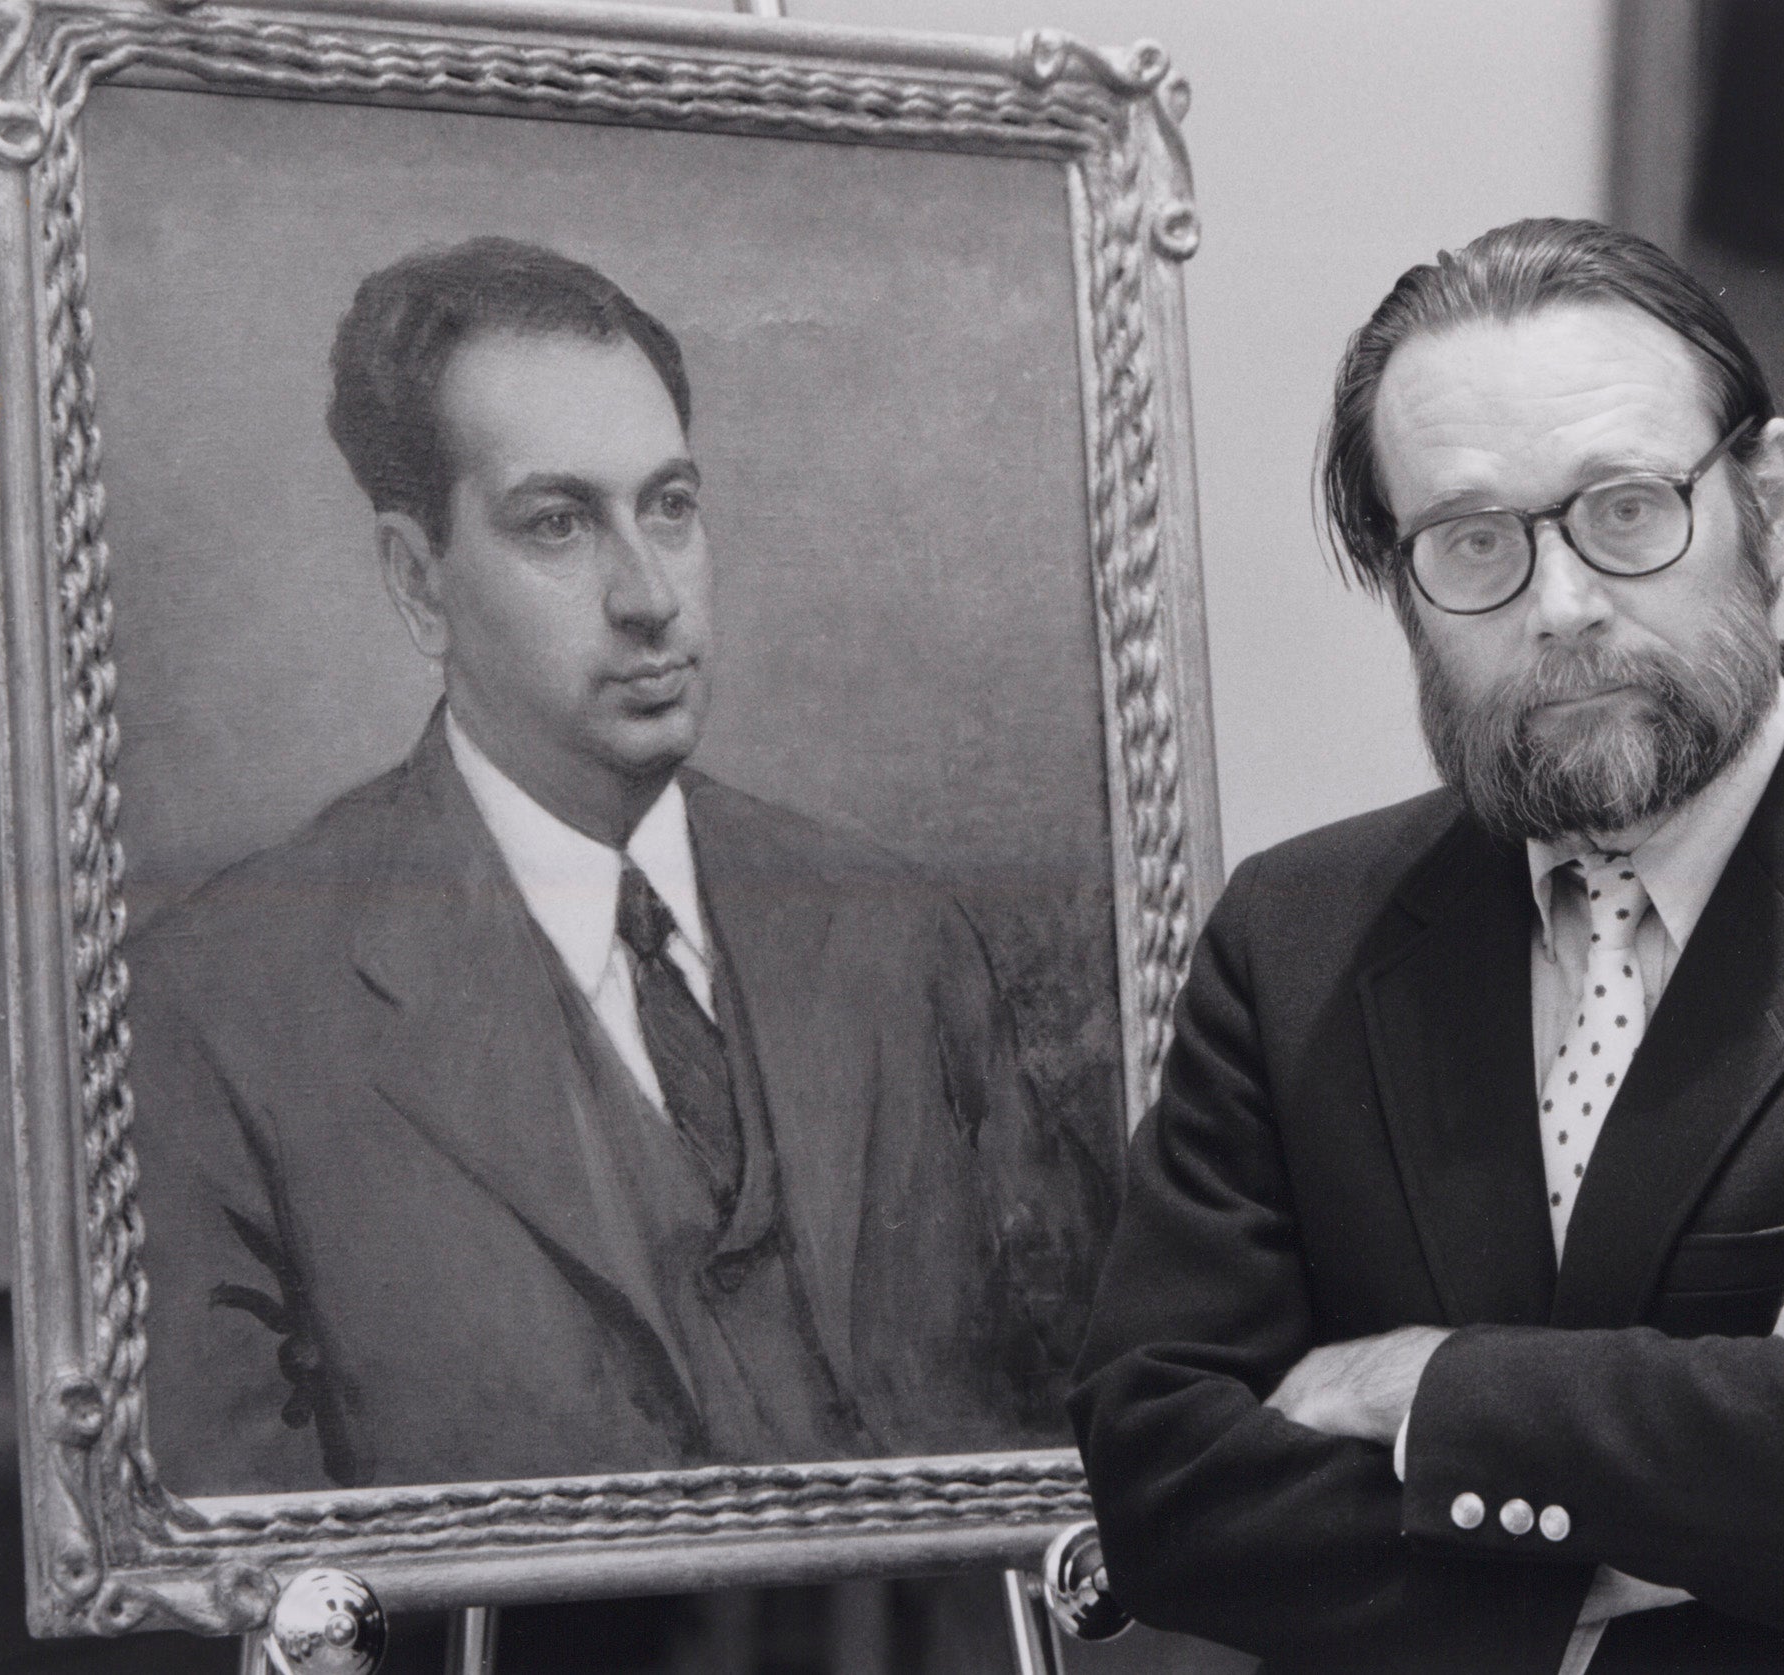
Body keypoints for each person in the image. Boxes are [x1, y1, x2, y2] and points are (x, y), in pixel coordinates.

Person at [1069, 218, 1784, 1672]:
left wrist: (1417, 1386)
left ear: (1767, 501)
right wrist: (1730, 1459)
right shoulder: (1294, 935)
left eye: (1628, 510)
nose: (1563, 605)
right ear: (1403, 587)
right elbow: (1164, 1486)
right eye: (1473, 542)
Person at [130, 238, 1110, 1496]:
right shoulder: (218, 1011)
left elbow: (1097, 1408)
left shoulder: (892, 931)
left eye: (672, 506)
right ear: (417, 582)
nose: (650, 595)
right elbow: (234, 1560)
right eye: (559, 523)